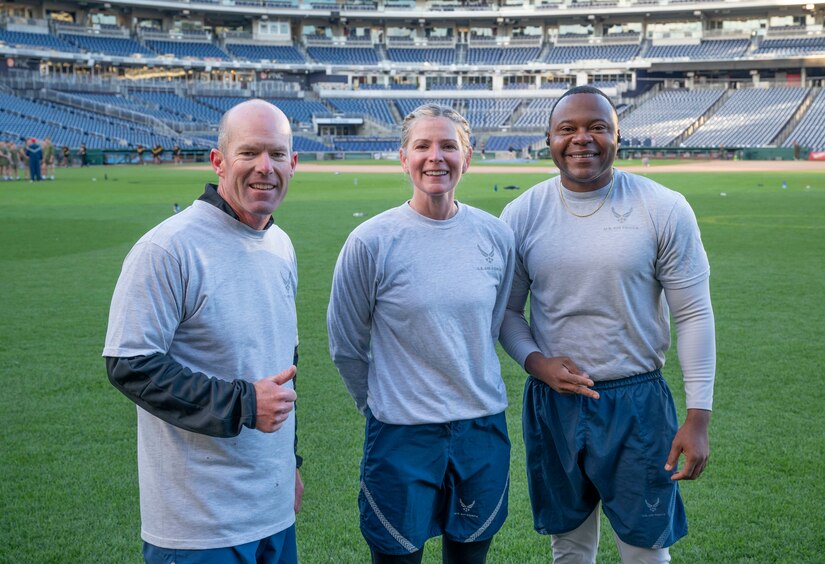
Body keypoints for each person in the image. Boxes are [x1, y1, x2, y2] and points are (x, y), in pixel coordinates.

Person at [499, 85, 716, 564]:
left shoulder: (662, 206)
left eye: (597, 126)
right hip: (554, 402)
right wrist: (537, 363)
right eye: (568, 128)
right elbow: (508, 312)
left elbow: (693, 312)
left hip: (636, 401)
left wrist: (698, 416)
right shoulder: (521, 214)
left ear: (619, 135)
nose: (582, 139)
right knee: (569, 546)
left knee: (644, 549)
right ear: (549, 139)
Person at [103, 99, 303, 563]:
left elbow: (281, 368)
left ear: (293, 163)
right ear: (218, 162)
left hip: (271, 511)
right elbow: (129, 365)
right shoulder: (169, 248)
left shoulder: (280, 244)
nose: (264, 168)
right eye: (249, 153)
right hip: (198, 526)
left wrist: (289, 463)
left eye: (276, 155)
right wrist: (243, 403)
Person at [328, 104, 515, 564]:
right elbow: (346, 344)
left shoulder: (495, 236)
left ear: (467, 158)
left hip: (481, 429)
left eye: (449, 145)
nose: (436, 157)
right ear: (403, 157)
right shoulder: (371, 241)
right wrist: (378, 406)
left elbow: (489, 325)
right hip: (401, 435)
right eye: (423, 146)